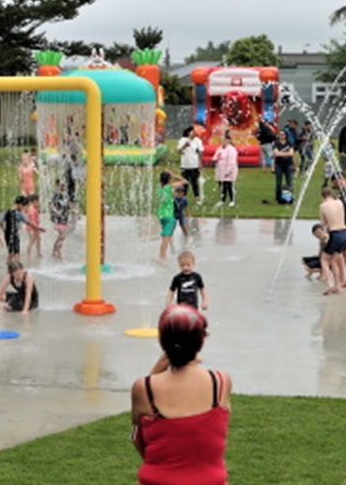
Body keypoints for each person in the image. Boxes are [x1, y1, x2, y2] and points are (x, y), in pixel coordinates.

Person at [130, 305, 231, 485]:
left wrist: (153, 374)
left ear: (162, 341)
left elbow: (139, 438)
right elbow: (213, 437)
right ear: (201, 341)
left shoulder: (144, 388)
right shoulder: (221, 382)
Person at [318, 187, 346, 295]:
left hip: (335, 234)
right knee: (334, 261)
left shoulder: (323, 206)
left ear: (322, 196)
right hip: (345, 233)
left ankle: (330, 284)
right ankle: (338, 286)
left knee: (324, 260)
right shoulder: (339, 202)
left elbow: (323, 223)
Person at [0, 195, 41, 265]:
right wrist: (37, 228)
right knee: (16, 254)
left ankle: (9, 267)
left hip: (8, 234)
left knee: (11, 253)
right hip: (14, 234)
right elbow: (28, 222)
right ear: (19, 204)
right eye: (24, 206)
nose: (24, 209)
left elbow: (0, 222)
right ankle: (14, 268)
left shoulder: (7, 212)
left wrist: (4, 229)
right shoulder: (18, 214)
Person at [157, 171, 187, 263]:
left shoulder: (159, 188)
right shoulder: (170, 187)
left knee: (166, 235)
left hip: (161, 215)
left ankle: (163, 254)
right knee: (166, 236)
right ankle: (162, 256)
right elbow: (184, 181)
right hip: (169, 215)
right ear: (169, 180)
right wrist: (174, 175)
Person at [177, 126, 204, 202]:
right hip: (185, 165)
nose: (193, 134)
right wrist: (184, 146)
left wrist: (200, 163)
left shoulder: (198, 141)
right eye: (192, 132)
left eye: (194, 132)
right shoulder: (183, 140)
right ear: (188, 132)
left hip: (194, 165)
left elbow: (200, 152)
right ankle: (183, 198)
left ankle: (197, 198)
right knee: (185, 182)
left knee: (194, 182)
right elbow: (178, 151)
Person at [212, 133, 238, 208]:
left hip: (228, 171)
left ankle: (232, 200)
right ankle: (222, 200)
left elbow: (232, 162)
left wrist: (228, 171)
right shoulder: (219, 148)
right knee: (222, 186)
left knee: (229, 185)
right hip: (220, 170)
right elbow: (215, 156)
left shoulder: (231, 149)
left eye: (224, 140)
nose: (223, 142)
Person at [50, 181, 72, 260]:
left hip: (64, 219)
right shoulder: (57, 195)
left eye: (64, 186)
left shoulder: (66, 195)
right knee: (62, 235)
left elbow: (69, 205)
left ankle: (55, 250)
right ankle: (58, 252)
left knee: (62, 236)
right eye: (62, 186)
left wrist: (74, 211)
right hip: (58, 219)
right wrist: (56, 211)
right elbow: (51, 205)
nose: (63, 187)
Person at [273, 130, 296, 204]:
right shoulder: (276, 143)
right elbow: (276, 154)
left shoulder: (289, 143)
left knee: (289, 182)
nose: (281, 136)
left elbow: (291, 153)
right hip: (279, 165)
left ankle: (290, 198)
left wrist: (281, 153)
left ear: (285, 135)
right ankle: (278, 198)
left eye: (283, 134)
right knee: (278, 183)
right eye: (280, 134)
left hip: (288, 165)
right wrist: (286, 153)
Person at [25, 193, 45, 260]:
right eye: (38, 201)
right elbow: (32, 220)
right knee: (32, 241)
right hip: (32, 228)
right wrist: (38, 228)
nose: (39, 203)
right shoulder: (32, 209)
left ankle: (38, 253)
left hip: (34, 227)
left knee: (38, 239)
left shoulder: (33, 208)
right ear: (34, 201)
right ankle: (28, 255)